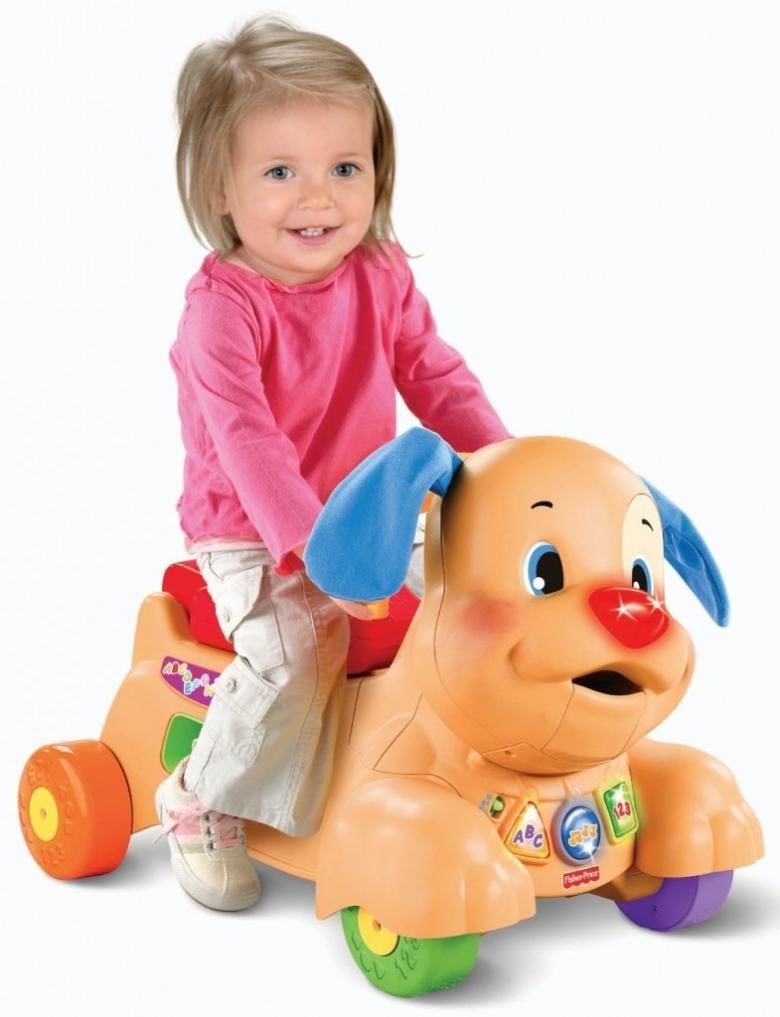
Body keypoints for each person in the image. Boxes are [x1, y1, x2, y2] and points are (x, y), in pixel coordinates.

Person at [157, 12, 511, 912]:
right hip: (253, 528)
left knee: (477, 598)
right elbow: (248, 442)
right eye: (281, 172)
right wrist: (321, 554)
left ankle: (458, 763)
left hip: (365, 508)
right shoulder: (221, 311)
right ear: (220, 186)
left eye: (345, 168)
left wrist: (502, 465)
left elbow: (433, 372)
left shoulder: (379, 272)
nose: (319, 197)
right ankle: (199, 796)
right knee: (299, 650)